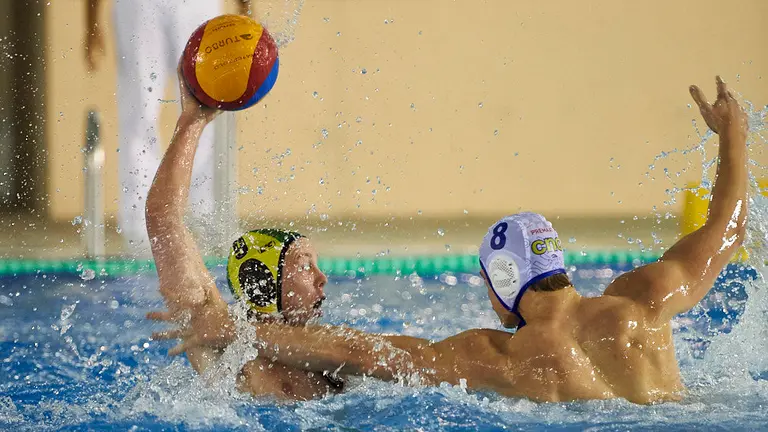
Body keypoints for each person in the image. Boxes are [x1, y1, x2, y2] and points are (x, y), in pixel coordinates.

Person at [152, 76, 749, 405]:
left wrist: (233, 328)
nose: (324, 276)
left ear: (502, 284)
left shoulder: (501, 357)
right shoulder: (645, 301)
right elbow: (727, 230)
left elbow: (364, 353)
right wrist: (734, 136)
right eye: (305, 264)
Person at [143, 61, 343, 400]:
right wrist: (192, 122)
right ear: (265, 280)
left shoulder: (334, 354)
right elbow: (164, 219)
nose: (322, 277)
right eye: (305, 265)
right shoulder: (221, 344)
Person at [84, 0, 251, 252]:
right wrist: (92, 20)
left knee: (209, 108)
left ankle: (211, 224)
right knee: (138, 113)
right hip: (140, 7)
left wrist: (247, 9)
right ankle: (140, 234)